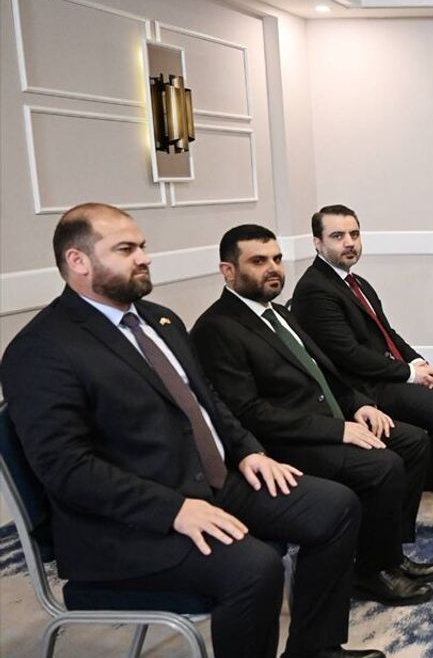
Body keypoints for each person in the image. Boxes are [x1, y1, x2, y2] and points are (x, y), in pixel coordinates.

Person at [0, 203, 382, 658]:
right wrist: (173, 509)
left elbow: (208, 401)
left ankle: (315, 649)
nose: (144, 257)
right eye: (126, 249)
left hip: (211, 481)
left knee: (336, 506)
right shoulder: (41, 349)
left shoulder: (160, 319)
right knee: (255, 567)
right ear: (78, 261)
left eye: (142, 246)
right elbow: (67, 469)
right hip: (129, 523)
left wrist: (248, 451)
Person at [191, 225, 433, 607]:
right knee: (382, 466)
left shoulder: (278, 313)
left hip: (328, 418)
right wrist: (338, 430)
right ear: (228, 271)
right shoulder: (216, 328)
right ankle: (370, 572)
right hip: (286, 442)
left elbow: (325, 372)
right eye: (258, 261)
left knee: (413, 441)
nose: (273, 268)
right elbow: (249, 413)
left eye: (276, 259)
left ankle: (388, 553)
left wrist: (358, 405)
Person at [290, 205, 433, 511]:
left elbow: (388, 333)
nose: (349, 242)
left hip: (385, 372)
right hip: (362, 387)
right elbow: (348, 356)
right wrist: (409, 374)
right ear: (317, 243)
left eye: (354, 234)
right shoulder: (315, 289)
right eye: (337, 236)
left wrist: (419, 363)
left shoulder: (356, 283)